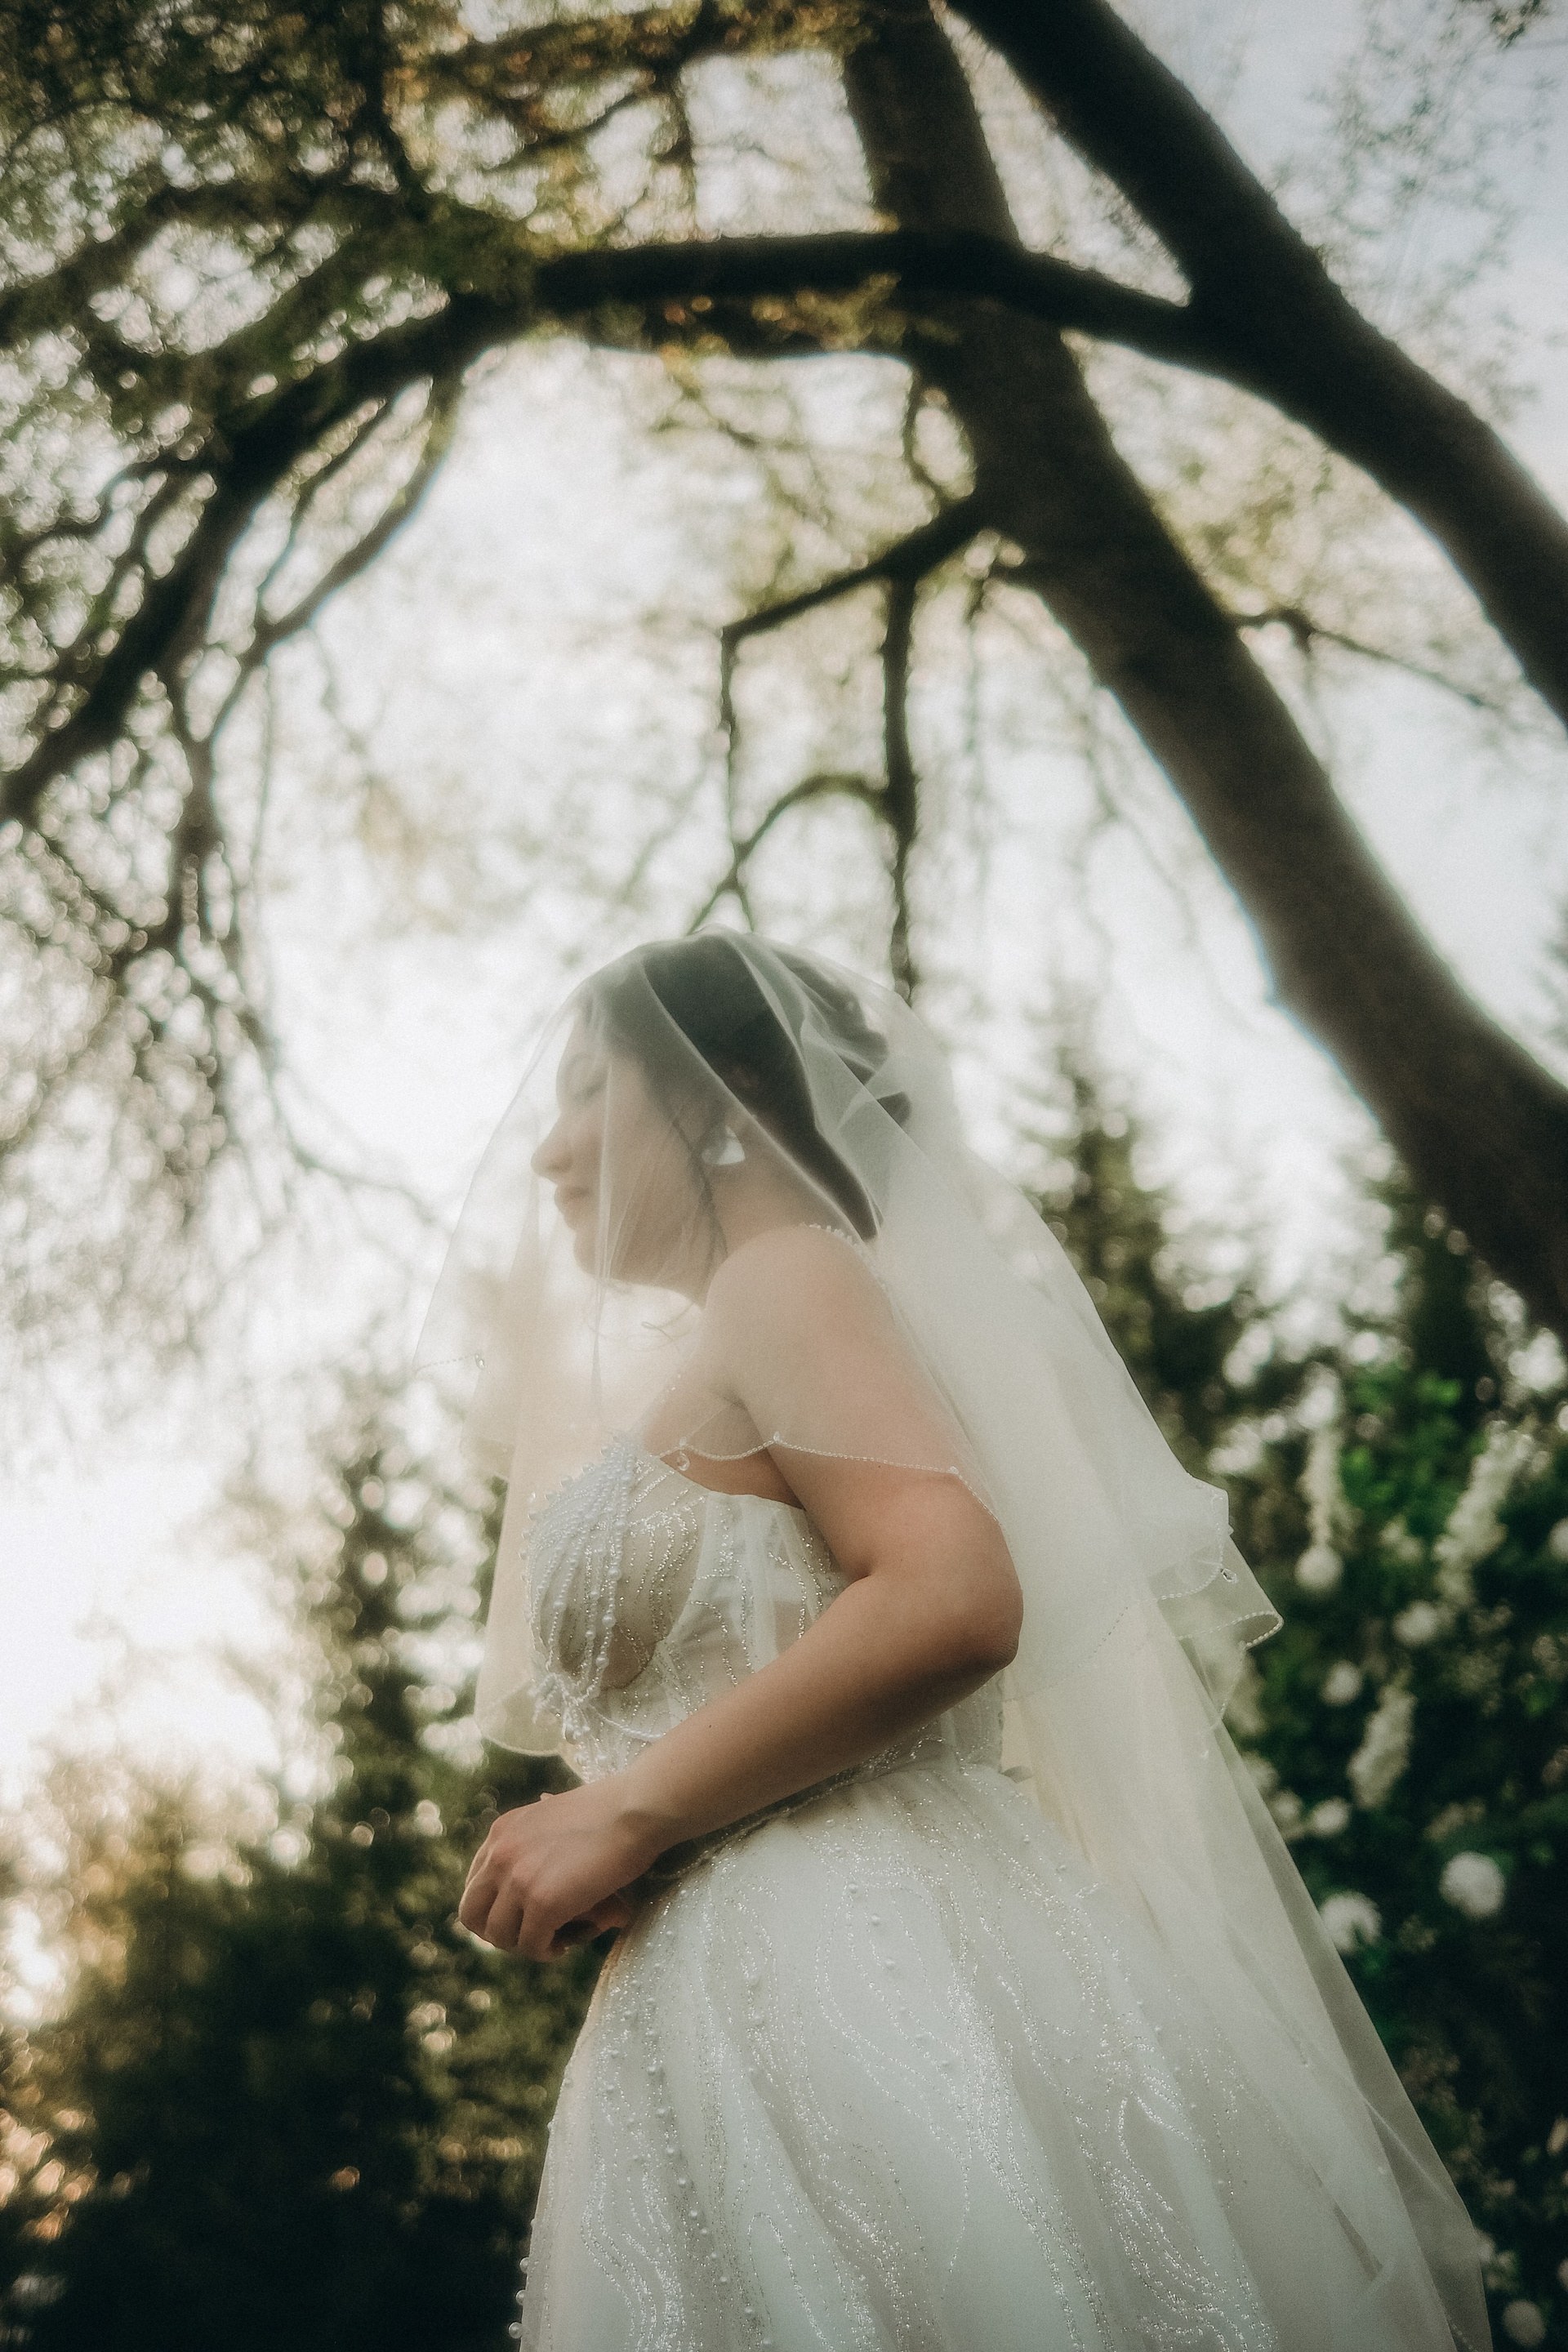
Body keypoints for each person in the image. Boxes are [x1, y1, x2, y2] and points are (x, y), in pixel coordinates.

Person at [417, 932, 1492, 2352]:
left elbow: (950, 1598)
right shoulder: (761, 1320)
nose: (550, 1150)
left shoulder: (785, 1277)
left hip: (870, 1973)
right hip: (745, 1994)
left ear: (723, 1095)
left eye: (585, 1092)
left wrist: (625, 1810)